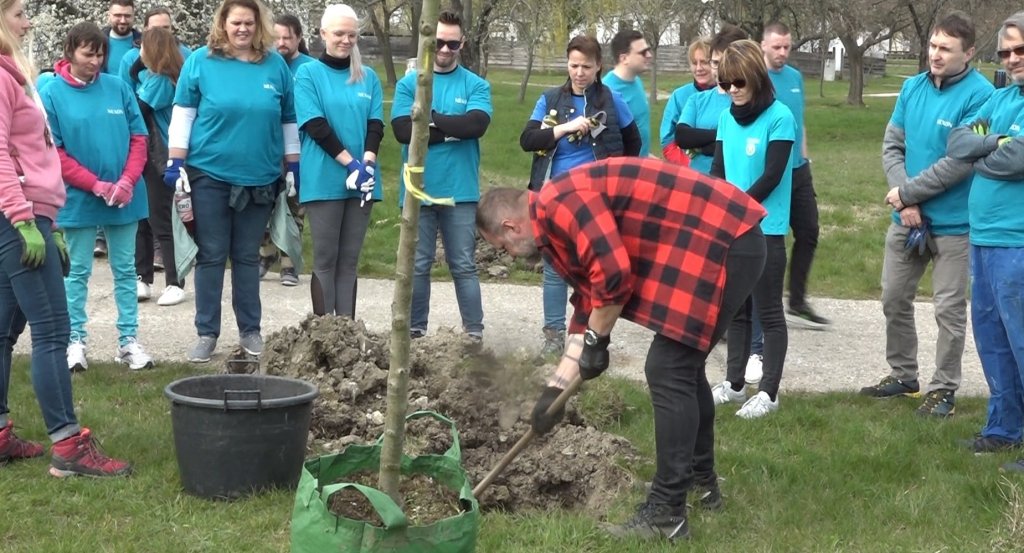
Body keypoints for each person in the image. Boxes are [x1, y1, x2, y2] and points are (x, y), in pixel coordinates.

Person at [476, 157, 766, 540]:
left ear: (511, 226)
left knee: (669, 368)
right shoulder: (553, 226)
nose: (508, 256)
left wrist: (600, 341)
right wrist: (554, 392)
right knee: (682, 367)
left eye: (503, 247)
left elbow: (613, 276)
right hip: (716, 243)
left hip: (725, 239)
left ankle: (667, 514)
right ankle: (699, 482)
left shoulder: (563, 203)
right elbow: (588, 306)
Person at [0, 0, 132, 477]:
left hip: (32, 216)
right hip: (19, 218)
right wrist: (23, 219)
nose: (27, 22)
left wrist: (43, 221)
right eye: (18, 14)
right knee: (54, 331)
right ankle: (68, 448)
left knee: (4, 329)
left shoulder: (12, 74)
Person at [860, 12, 992, 419]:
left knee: (948, 309)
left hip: (955, 225)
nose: (935, 55)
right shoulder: (911, 87)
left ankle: (943, 389)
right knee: (893, 297)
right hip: (908, 220)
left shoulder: (983, 96)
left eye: (945, 49)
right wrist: (906, 202)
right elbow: (892, 145)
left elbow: (961, 161)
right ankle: (903, 375)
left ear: (968, 52)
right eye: (933, 45)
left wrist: (906, 192)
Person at [165, 0, 298, 363]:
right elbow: (183, 116)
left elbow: (288, 119)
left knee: (245, 256)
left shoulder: (275, 66)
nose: (243, 29)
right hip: (210, 174)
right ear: (223, 24)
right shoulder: (200, 63)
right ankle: (207, 332)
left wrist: (292, 167)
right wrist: (175, 163)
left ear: (259, 26)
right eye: (236, 22)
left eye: (249, 23)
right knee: (211, 255)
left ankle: (250, 330)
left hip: (260, 177)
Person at [40, 21, 153, 372]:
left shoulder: (118, 87)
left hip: (126, 195)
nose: (96, 60)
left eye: (100, 53)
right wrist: (96, 185)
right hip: (78, 198)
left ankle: (128, 341)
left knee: (125, 271)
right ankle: (74, 340)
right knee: (76, 273)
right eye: (88, 53)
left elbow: (139, 138)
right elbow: (54, 152)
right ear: (69, 52)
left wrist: (126, 181)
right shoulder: (51, 93)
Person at [520, 34, 641, 358]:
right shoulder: (549, 99)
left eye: (586, 66)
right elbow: (528, 139)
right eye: (573, 65)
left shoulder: (613, 101)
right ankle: (553, 335)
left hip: (596, 201)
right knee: (554, 267)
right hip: (554, 199)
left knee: (594, 269)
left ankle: (590, 336)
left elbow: (633, 143)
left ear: (598, 66)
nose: (579, 73)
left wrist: (614, 175)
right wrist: (562, 128)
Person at [947, 11, 1024, 459]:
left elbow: (1016, 162)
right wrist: (993, 144)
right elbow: (958, 141)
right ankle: (1005, 427)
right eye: (1005, 52)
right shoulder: (1001, 99)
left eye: (1020, 50)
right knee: (993, 338)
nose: (1012, 59)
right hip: (984, 239)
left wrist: (984, 151)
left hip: (1018, 243)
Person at [391, 9, 491, 344]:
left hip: (460, 190)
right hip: (418, 189)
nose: (445, 50)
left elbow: (476, 125)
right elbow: (403, 131)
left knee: (462, 264)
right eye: (438, 43)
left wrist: (430, 118)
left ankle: (473, 333)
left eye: (452, 43)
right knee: (417, 264)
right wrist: (452, 129)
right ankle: (415, 331)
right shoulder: (411, 83)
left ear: (462, 43)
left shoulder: (475, 84)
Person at [708, 39, 795, 419]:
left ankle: (770, 393)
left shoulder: (780, 117)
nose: (731, 91)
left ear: (756, 79)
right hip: (733, 227)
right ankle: (735, 384)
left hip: (766, 229)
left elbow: (772, 175)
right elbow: (718, 171)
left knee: (769, 312)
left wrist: (739, 208)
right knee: (736, 312)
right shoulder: (727, 117)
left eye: (738, 83)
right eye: (725, 84)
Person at [294, 3, 383, 317]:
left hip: (362, 181)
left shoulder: (367, 77)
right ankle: (323, 331)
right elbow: (315, 124)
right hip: (324, 178)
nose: (346, 40)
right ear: (323, 34)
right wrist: (351, 164)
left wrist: (367, 164)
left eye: (352, 34)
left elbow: (375, 124)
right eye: (339, 34)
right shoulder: (308, 74)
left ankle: (346, 330)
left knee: (349, 260)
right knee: (326, 259)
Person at [761, 21, 831, 329]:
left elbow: (799, 121)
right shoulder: (755, 78)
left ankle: (798, 301)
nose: (782, 53)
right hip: (770, 173)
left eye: (787, 47)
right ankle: (766, 304)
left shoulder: (795, 78)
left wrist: (805, 157)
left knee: (809, 232)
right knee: (770, 240)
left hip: (799, 170)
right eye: (776, 47)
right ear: (763, 45)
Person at [257, 12, 315, 287]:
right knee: (262, 205)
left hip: (300, 148)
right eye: (276, 37)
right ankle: (265, 253)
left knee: (294, 208)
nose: (280, 43)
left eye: (286, 38)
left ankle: (289, 263)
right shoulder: (262, 65)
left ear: (298, 39)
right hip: (266, 148)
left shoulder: (309, 68)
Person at [132, 26, 187, 306]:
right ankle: (143, 277)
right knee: (144, 216)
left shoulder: (161, 80)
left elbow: (137, 109)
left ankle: (175, 281)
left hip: (160, 155)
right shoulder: (155, 77)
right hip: (148, 155)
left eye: (142, 47)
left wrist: (135, 68)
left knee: (160, 219)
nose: (138, 51)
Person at [95, 0, 140, 258]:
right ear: (109, 15)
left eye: (127, 16)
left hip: (131, 109)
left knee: (127, 167)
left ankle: (125, 232)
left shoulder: (141, 42)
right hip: (102, 111)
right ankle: (100, 235)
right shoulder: (99, 42)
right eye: (118, 15)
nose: (122, 20)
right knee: (102, 167)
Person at [673, 25, 748, 175]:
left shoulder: (745, 100)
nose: (719, 69)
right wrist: (721, 137)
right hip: (697, 183)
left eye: (724, 62)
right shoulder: (697, 100)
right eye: (714, 63)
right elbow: (682, 136)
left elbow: (742, 143)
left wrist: (700, 145)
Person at [659, 38, 714, 164]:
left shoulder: (729, 94)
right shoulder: (679, 96)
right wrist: (689, 165)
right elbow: (667, 140)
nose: (699, 68)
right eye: (695, 63)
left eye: (704, 62)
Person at [602, 29, 652, 156]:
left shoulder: (637, 81)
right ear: (624, 58)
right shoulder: (606, 91)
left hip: (642, 166)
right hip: (625, 171)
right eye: (643, 52)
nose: (649, 55)